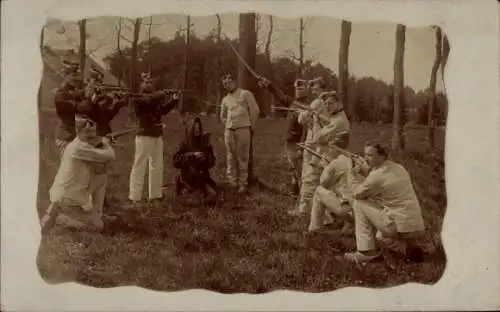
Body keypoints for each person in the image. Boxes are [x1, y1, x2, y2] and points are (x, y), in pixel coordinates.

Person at [341, 142, 429, 264]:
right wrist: (366, 170)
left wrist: (351, 175)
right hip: (416, 226)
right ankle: (408, 250)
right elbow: (380, 179)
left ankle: (365, 252)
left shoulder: (377, 176)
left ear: (382, 156)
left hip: (398, 227)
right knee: (380, 237)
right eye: (365, 155)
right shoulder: (399, 168)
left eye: (370, 155)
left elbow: (356, 193)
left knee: (359, 202)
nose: (366, 158)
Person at [40, 115, 116, 234]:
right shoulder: (79, 148)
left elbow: (105, 162)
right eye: (87, 133)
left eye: (92, 133)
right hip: (66, 199)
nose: (91, 136)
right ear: (79, 133)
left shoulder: (83, 146)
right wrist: (106, 143)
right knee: (95, 228)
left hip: (73, 198)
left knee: (101, 176)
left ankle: (91, 217)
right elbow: (110, 155)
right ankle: (60, 218)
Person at [125, 73, 179, 225]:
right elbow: (148, 101)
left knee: (157, 166)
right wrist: (162, 93)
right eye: (145, 81)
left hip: (156, 134)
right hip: (144, 136)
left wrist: (173, 101)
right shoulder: (139, 98)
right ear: (141, 85)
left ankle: (155, 195)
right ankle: (135, 197)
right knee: (139, 166)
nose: (148, 83)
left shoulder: (154, 98)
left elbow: (161, 110)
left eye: (150, 81)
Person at [257, 77, 309, 195]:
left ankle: (302, 195)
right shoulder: (293, 103)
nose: (298, 91)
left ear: (306, 91)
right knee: (293, 168)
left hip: (298, 143)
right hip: (290, 141)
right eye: (297, 89)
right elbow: (279, 94)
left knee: (300, 169)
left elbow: (307, 129)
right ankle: (295, 191)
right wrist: (269, 84)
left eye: (301, 89)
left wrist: (302, 145)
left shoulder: (307, 107)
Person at [219, 73, 260, 194]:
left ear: (234, 81)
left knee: (243, 157)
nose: (227, 85)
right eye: (225, 84)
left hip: (243, 129)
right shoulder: (225, 99)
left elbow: (255, 111)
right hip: (229, 130)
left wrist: (250, 125)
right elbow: (222, 116)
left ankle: (243, 183)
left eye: (229, 82)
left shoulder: (245, 94)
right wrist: (228, 125)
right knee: (230, 156)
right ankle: (232, 181)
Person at [172, 117, 218, 205]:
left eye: (199, 127)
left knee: (213, 196)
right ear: (190, 129)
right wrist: (191, 155)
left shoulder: (204, 144)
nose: (198, 129)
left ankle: (201, 193)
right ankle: (189, 192)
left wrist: (207, 154)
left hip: (202, 178)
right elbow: (176, 162)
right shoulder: (184, 145)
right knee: (193, 199)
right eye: (195, 127)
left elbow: (210, 164)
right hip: (187, 179)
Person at [53, 75, 86, 156]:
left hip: (72, 136)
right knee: (67, 162)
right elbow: (80, 107)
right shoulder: (61, 98)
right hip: (66, 136)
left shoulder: (69, 96)